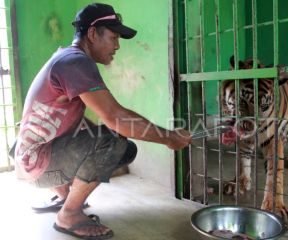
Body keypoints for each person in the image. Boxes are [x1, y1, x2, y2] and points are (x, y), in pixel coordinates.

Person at [14, 3, 191, 239]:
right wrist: (169, 137)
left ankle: (63, 193)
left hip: (26, 157)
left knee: (119, 145)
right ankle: (69, 214)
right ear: (91, 34)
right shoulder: (76, 62)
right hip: (37, 164)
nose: (117, 45)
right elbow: (116, 117)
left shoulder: (65, 57)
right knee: (114, 141)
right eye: (113, 37)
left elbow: (72, 119)